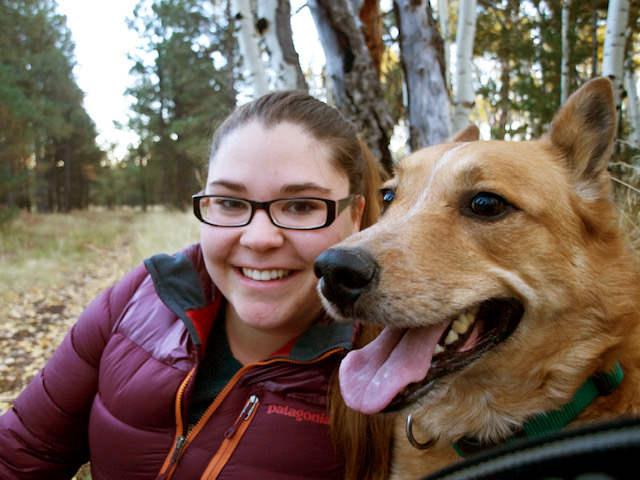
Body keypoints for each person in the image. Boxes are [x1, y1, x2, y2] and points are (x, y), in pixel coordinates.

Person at [0, 90, 390, 479]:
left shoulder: (401, 369)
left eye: (301, 206)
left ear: (355, 216)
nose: (258, 238)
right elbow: (21, 454)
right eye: (231, 203)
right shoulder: (139, 299)